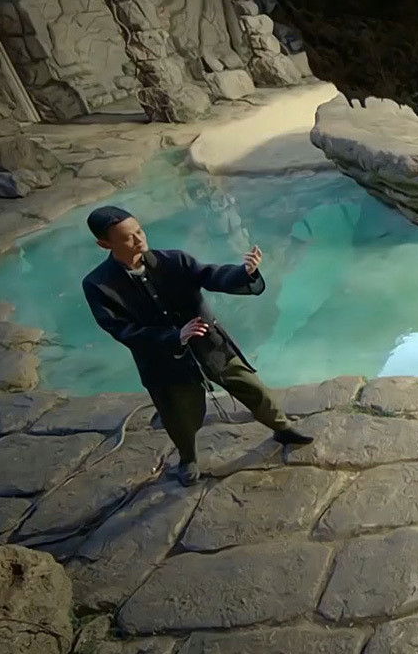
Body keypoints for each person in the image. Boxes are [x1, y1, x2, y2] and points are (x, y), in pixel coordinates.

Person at [81, 205, 312, 486]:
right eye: (128, 237)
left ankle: (282, 428)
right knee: (179, 415)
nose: (139, 239)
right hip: (162, 361)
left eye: (139, 231)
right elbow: (120, 329)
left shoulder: (173, 260)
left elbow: (211, 275)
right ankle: (188, 458)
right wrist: (174, 337)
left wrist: (244, 273)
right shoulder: (98, 284)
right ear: (104, 244)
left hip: (209, 344)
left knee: (253, 388)